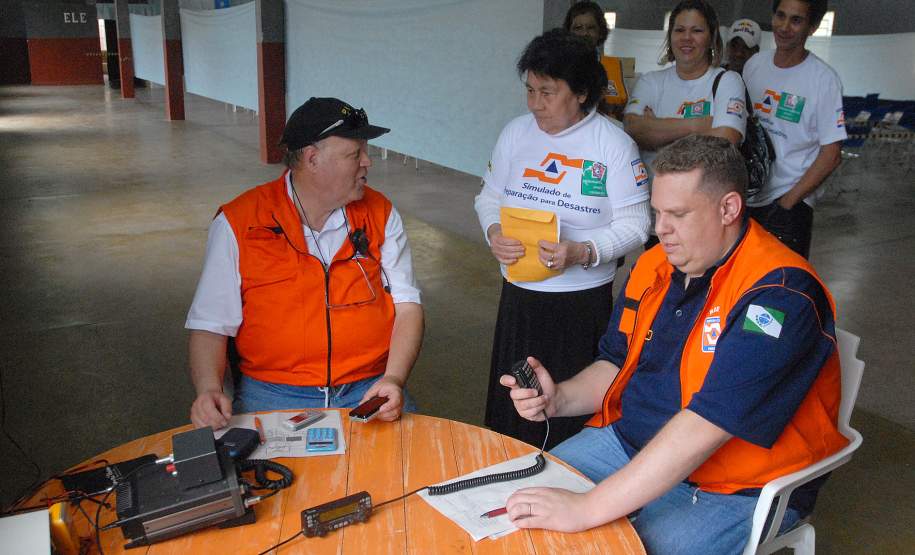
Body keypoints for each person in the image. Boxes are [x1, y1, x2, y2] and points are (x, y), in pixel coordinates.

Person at [500, 135, 847, 554]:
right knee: (513, 509)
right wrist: (560, 399)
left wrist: (586, 508)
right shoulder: (655, 265)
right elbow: (616, 362)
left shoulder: (780, 294)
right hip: (631, 442)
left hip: (738, 483)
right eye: (657, 213)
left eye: (678, 215)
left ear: (729, 208)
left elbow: (706, 425)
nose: (660, 229)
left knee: (622, 547)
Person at [186, 97, 424, 429]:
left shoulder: (380, 213)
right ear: (312, 159)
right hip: (273, 392)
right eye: (354, 154)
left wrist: (394, 379)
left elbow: (407, 305)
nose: (367, 162)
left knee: (410, 470)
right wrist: (209, 389)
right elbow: (211, 324)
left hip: (369, 388)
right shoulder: (240, 222)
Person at [474, 29, 650, 449]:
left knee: (566, 412)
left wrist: (584, 252)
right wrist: (494, 232)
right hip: (519, 296)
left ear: (583, 93)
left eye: (548, 92)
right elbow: (489, 197)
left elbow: (637, 224)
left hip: (579, 304)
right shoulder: (516, 133)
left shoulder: (613, 145)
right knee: (512, 406)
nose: (536, 104)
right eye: (530, 90)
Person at [624, 0, 747, 249]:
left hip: (706, 220)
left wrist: (658, 127)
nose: (687, 38)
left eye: (697, 30)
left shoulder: (727, 81)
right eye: (679, 30)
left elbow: (724, 140)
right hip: (658, 218)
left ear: (712, 38)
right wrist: (698, 125)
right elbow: (634, 130)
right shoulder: (651, 81)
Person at [742, 0, 846, 259]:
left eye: (796, 20)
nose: (785, 27)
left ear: (812, 27)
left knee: (778, 293)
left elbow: (831, 154)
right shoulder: (754, 65)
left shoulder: (824, 79)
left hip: (788, 205)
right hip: (747, 199)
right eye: (780, 16)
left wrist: (787, 203)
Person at [563, 1, 628, 120]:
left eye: (591, 28)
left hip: (606, 129)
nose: (584, 33)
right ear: (568, 33)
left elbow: (621, 106)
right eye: (578, 28)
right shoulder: (559, 65)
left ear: (600, 32)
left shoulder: (613, 65)